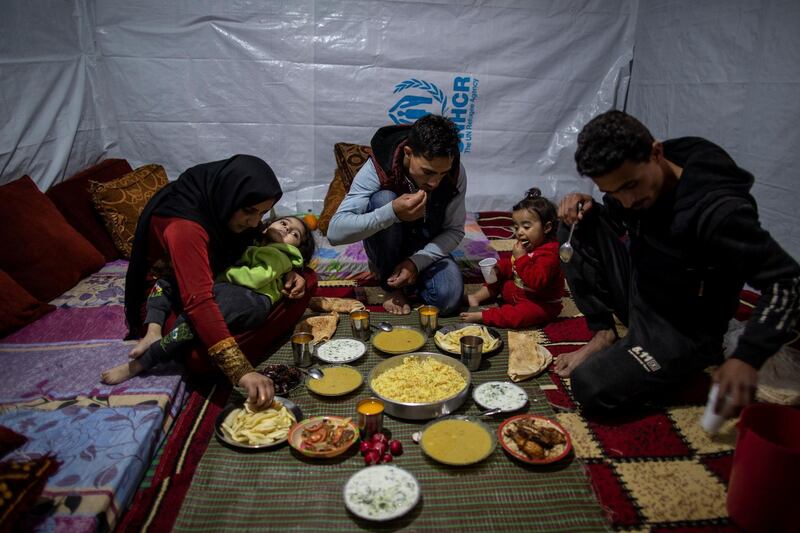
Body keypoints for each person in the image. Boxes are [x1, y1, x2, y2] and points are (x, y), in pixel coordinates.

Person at [554, 110, 800, 416]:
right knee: (573, 225)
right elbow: (620, 213)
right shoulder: (640, 177)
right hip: (642, 285)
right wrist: (585, 202)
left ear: (657, 153)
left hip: (680, 326)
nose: (627, 200)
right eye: (612, 191)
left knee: (590, 385)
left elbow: (785, 282)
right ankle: (604, 333)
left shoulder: (718, 212)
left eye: (630, 185)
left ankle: (668, 360)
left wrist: (747, 358)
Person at [122, 155, 309, 409]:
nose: (256, 222)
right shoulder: (185, 228)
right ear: (228, 196)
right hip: (169, 296)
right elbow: (199, 302)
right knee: (200, 359)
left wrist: (290, 271)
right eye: (249, 211)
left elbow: (259, 242)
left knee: (306, 281)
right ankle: (153, 342)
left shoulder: (219, 207)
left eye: (263, 213)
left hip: (210, 285)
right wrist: (242, 371)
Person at [103, 215, 315, 385]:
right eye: (284, 223)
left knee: (206, 311)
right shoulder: (250, 238)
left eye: (294, 234)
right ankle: (153, 331)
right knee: (168, 281)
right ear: (268, 223)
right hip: (226, 289)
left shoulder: (282, 253)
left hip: (251, 297)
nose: (287, 229)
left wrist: (220, 275)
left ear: (297, 247)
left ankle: (144, 362)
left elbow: (255, 278)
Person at [327, 114, 466, 316]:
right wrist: (391, 213)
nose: (435, 182)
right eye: (428, 172)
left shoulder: (455, 172)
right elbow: (335, 232)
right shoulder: (379, 166)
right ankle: (390, 281)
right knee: (383, 199)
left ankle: (409, 276)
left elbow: (454, 230)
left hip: (426, 244)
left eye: (442, 174)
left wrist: (416, 263)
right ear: (408, 153)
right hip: (385, 241)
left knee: (447, 301)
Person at [460, 188, 564, 328]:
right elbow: (512, 264)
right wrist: (499, 267)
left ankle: (485, 316)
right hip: (518, 293)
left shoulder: (550, 254)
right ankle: (476, 297)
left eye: (526, 227)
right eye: (516, 227)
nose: (519, 232)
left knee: (518, 315)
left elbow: (536, 281)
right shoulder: (528, 244)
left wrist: (521, 258)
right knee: (497, 277)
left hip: (540, 302)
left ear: (546, 228)